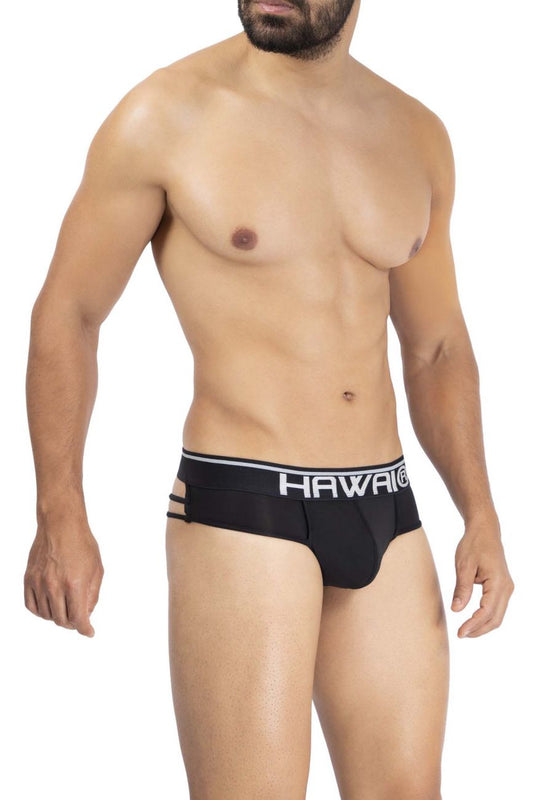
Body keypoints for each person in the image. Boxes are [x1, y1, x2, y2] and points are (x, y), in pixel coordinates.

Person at [24, 1, 514, 797]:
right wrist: (59, 512)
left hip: (385, 507)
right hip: (244, 508)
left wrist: (479, 511)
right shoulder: (165, 114)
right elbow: (69, 313)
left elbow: (436, 348)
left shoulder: (414, 132)